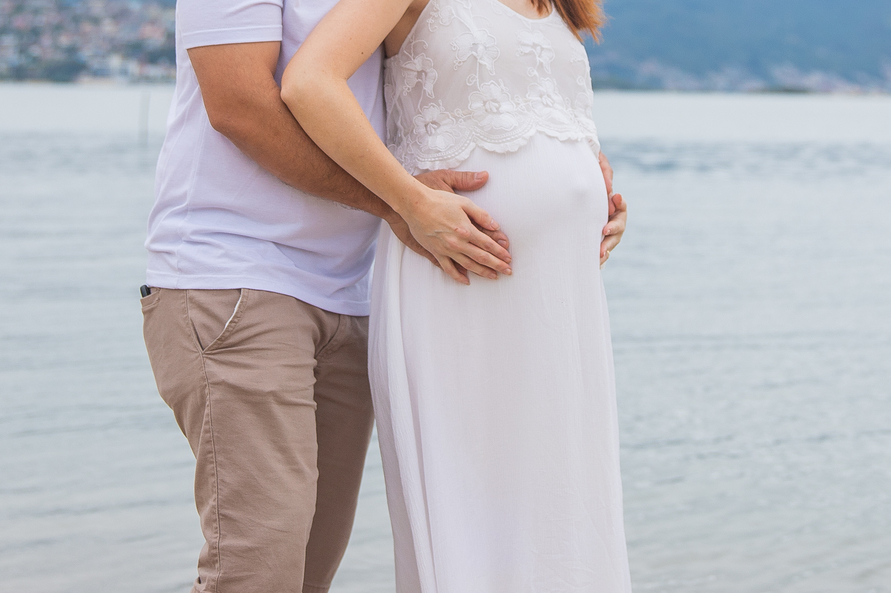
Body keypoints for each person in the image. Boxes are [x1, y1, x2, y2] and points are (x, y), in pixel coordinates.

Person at [141, 0, 626, 591]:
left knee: (308, 568)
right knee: (258, 565)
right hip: (235, 272)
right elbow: (241, 108)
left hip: (349, 289)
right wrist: (403, 202)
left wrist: (575, 189)